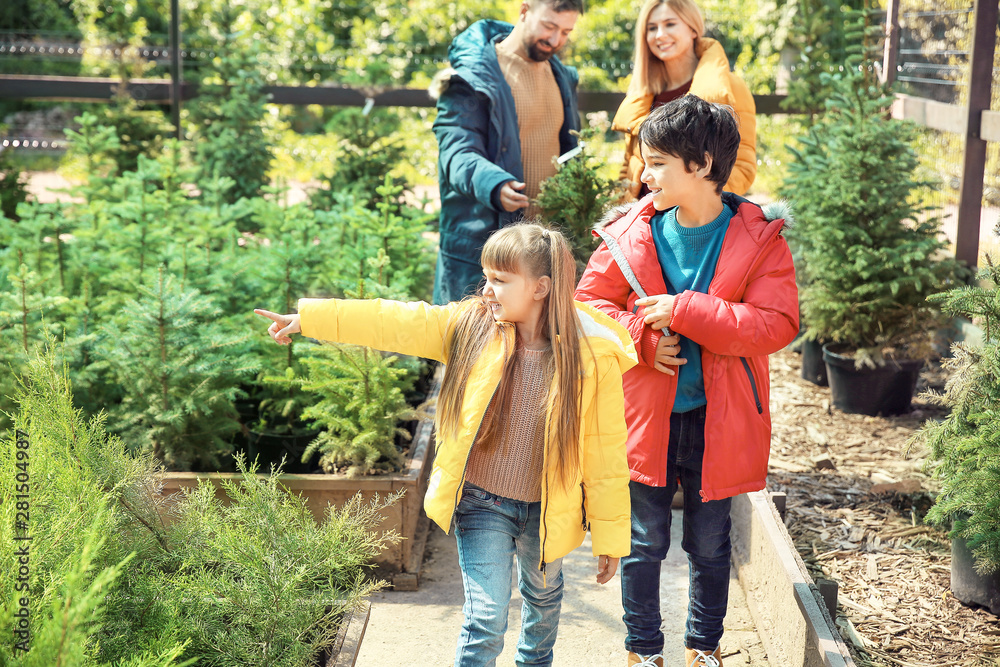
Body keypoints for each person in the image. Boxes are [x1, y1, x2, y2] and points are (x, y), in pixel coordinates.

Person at [256, 223, 636, 667]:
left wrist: (610, 537)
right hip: (481, 502)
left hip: (549, 510)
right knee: (486, 619)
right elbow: (395, 320)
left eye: (500, 280)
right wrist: (312, 319)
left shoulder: (591, 355)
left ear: (541, 287)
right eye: (486, 277)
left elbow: (606, 453)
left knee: (544, 601)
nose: (487, 290)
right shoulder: (469, 327)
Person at [575, 96, 798, 667]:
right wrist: (644, 339)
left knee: (709, 543)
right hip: (646, 415)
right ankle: (642, 651)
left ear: (700, 164)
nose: (642, 175)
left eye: (655, 164)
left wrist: (686, 311)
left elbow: (777, 324)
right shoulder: (629, 233)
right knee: (643, 542)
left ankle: (703, 648)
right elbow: (589, 307)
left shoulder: (760, 238)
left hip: (719, 420)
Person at [428, 0, 584, 305]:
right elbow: (456, 152)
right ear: (524, 11)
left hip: (543, 250)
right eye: (549, 26)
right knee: (474, 346)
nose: (556, 40)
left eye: (566, 32)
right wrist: (494, 184)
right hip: (484, 245)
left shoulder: (562, 76)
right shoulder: (472, 75)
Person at [612, 0, 757, 200]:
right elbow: (629, 166)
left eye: (670, 24)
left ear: (693, 29)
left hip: (696, 224)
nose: (660, 34)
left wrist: (694, 208)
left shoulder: (729, 88)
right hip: (643, 220)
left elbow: (742, 167)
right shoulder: (642, 93)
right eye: (652, 28)